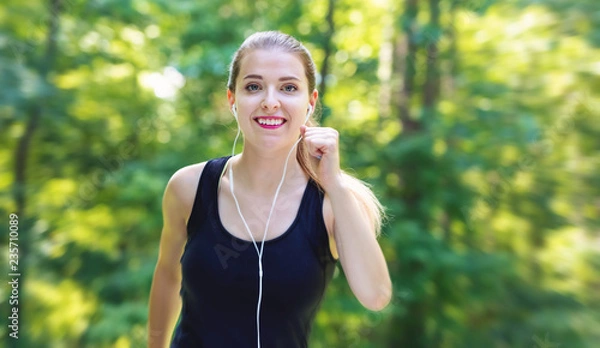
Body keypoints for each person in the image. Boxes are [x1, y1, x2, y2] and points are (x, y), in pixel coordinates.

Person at [147, 31, 392, 348]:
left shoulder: (333, 203)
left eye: (289, 88)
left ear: (310, 102)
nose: (270, 102)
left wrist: (335, 185)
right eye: (253, 87)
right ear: (232, 99)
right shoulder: (189, 188)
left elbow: (375, 296)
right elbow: (167, 274)